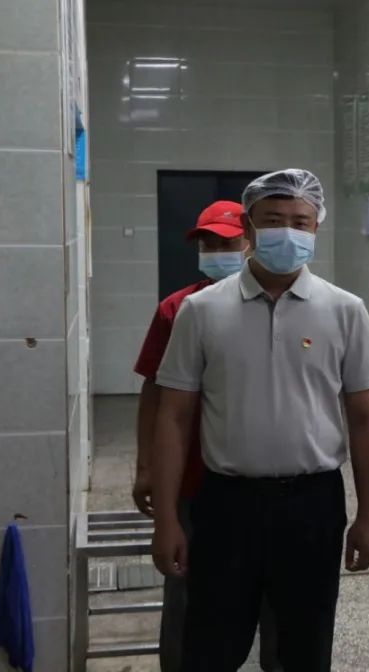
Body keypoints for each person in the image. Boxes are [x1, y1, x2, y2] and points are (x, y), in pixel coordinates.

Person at [150, 169, 369, 672]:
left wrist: (367, 516)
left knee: (304, 648)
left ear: (316, 228)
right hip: (226, 504)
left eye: (301, 221)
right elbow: (174, 417)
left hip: (313, 505)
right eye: (274, 220)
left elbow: (365, 420)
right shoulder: (200, 311)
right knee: (211, 647)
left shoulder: (345, 311)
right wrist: (167, 518)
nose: (288, 231)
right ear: (249, 228)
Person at [131, 200, 280, 672]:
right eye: (208, 244)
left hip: (265, 484)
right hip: (193, 482)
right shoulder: (177, 310)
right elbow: (154, 396)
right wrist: (147, 468)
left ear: (250, 243)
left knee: (277, 603)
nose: (216, 252)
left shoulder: (278, 310)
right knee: (188, 597)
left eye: (226, 243)